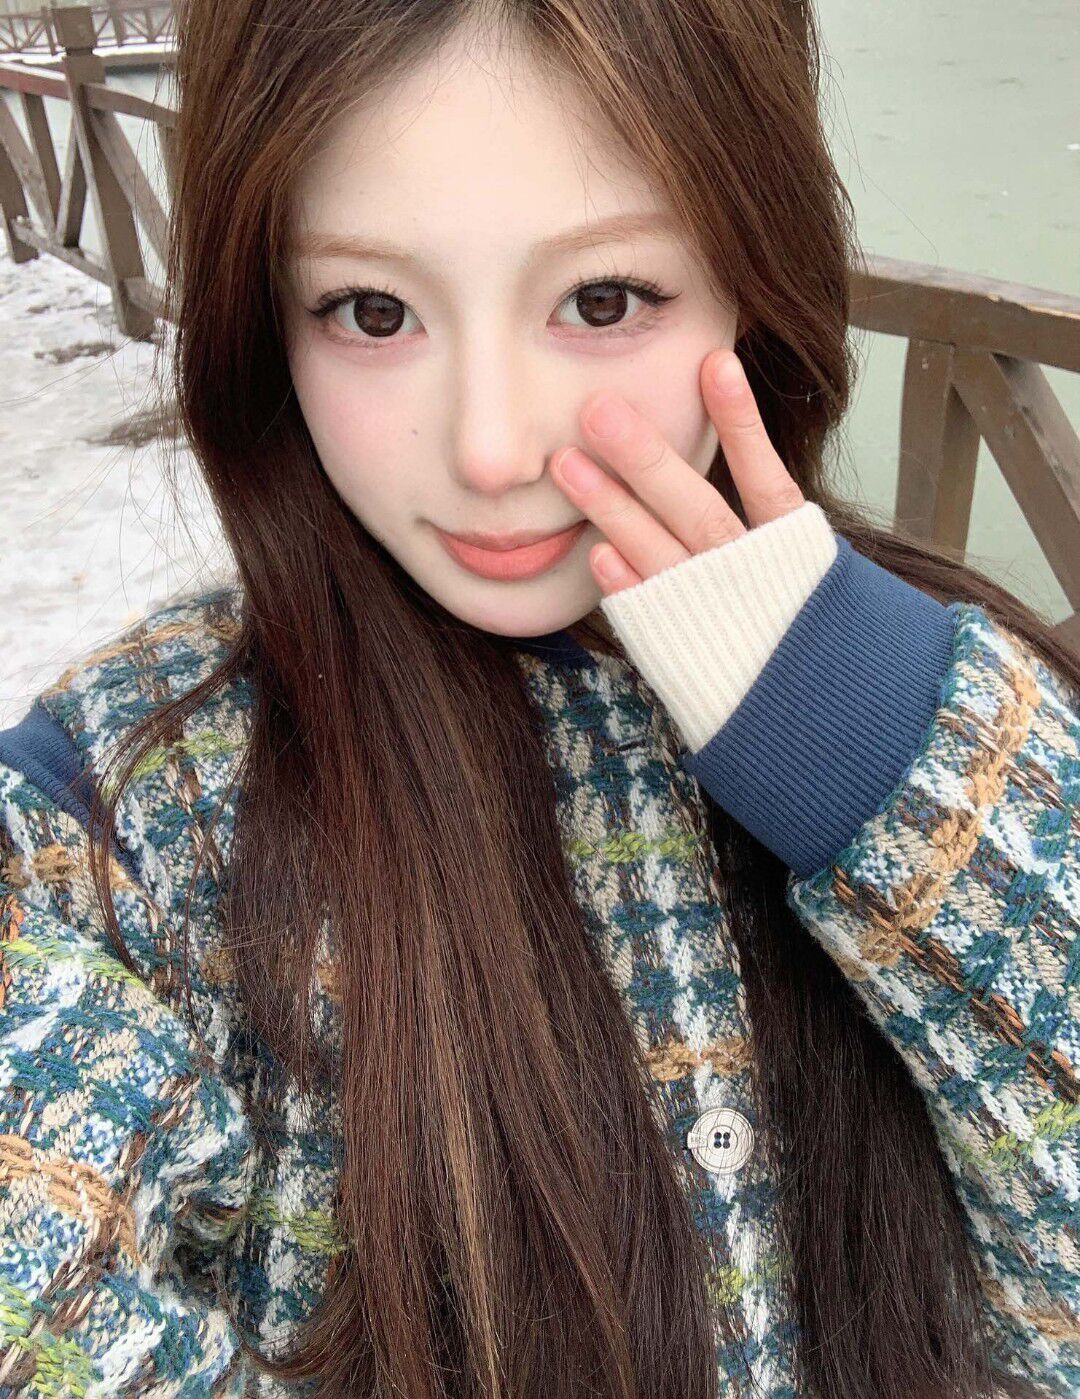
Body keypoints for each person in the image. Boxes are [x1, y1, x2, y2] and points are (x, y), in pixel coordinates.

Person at [0, 1, 1076, 1395]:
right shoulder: (131, 811)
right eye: (372, 311)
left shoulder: (957, 709)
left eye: (603, 301)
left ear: (753, 284)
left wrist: (892, 767)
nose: (492, 449)